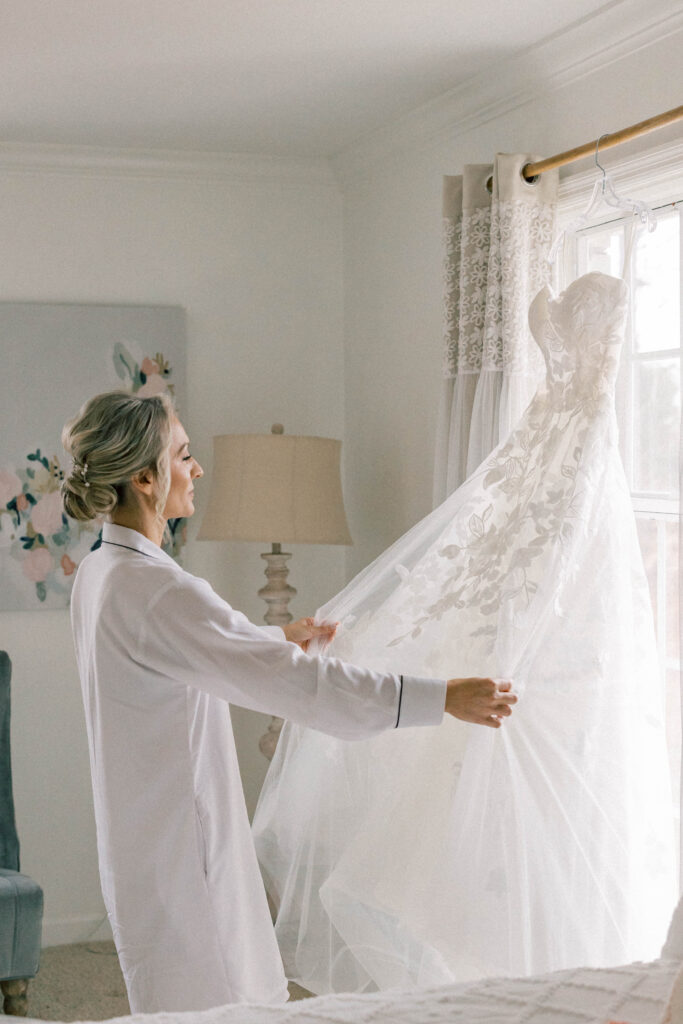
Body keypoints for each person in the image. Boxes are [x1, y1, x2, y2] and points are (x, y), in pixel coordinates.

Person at [61, 390, 517, 1015]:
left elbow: (181, 654)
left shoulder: (101, 572)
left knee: (180, 999)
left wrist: (276, 637)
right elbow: (306, 690)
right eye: (185, 455)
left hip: (141, 843)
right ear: (145, 477)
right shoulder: (158, 589)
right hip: (184, 854)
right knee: (218, 1004)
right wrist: (440, 697)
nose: (197, 470)